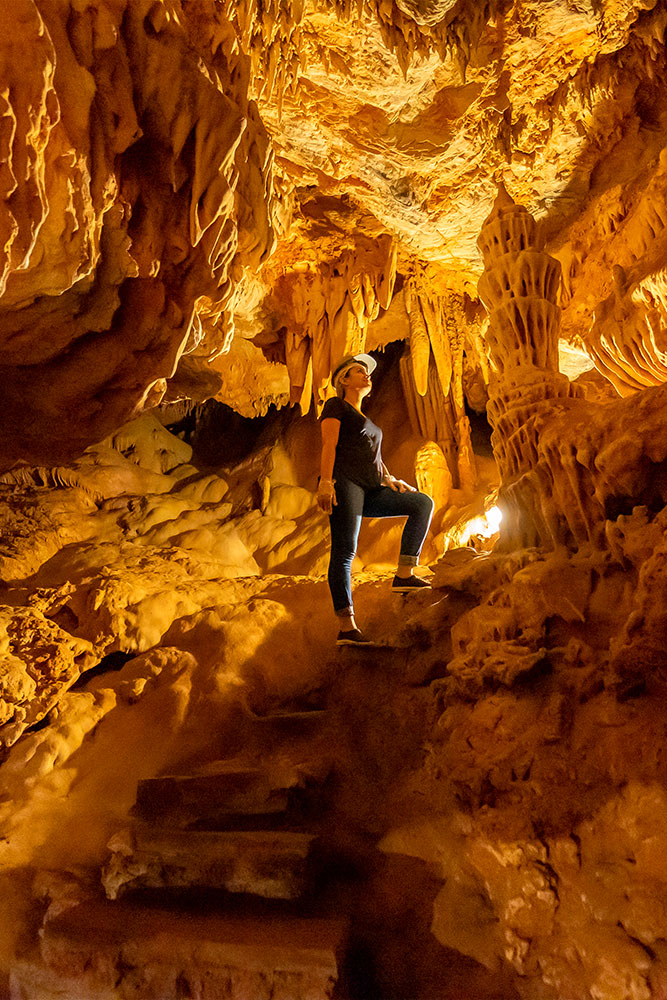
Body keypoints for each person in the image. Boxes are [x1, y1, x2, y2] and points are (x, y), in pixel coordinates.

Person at [317, 353, 434, 645]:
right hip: (346, 484)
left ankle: (405, 575)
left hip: (371, 488)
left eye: (366, 372)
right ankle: (346, 627)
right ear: (344, 380)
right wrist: (325, 482)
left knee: (421, 503)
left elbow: (374, 459)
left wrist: (390, 479)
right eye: (359, 371)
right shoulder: (336, 406)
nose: (367, 375)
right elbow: (329, 444)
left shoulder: (366, 419)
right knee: (345, 552)